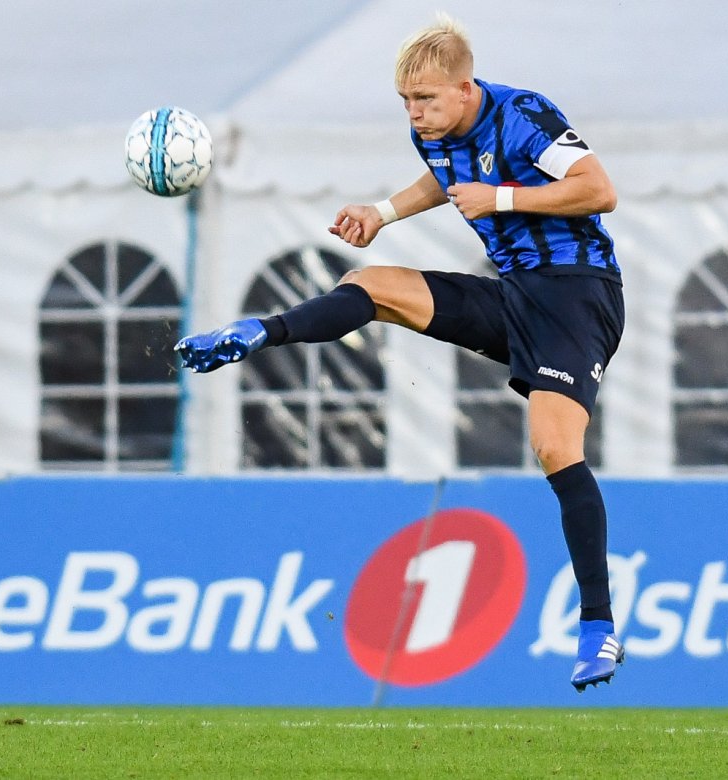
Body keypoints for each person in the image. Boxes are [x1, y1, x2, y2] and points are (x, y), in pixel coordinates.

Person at [175, 15, 625, 692]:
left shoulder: (523, 115)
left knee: (554, 446)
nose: (414, 113)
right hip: (515, 293)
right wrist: (381, 214)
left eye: (426, 99)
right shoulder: (433, 131)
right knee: (373, 285)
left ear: (466, 88)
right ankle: (259, 332)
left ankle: (597, 626)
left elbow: (599, 189)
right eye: (406, 101)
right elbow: (444, 177)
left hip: (576, 293)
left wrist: (502, 197)